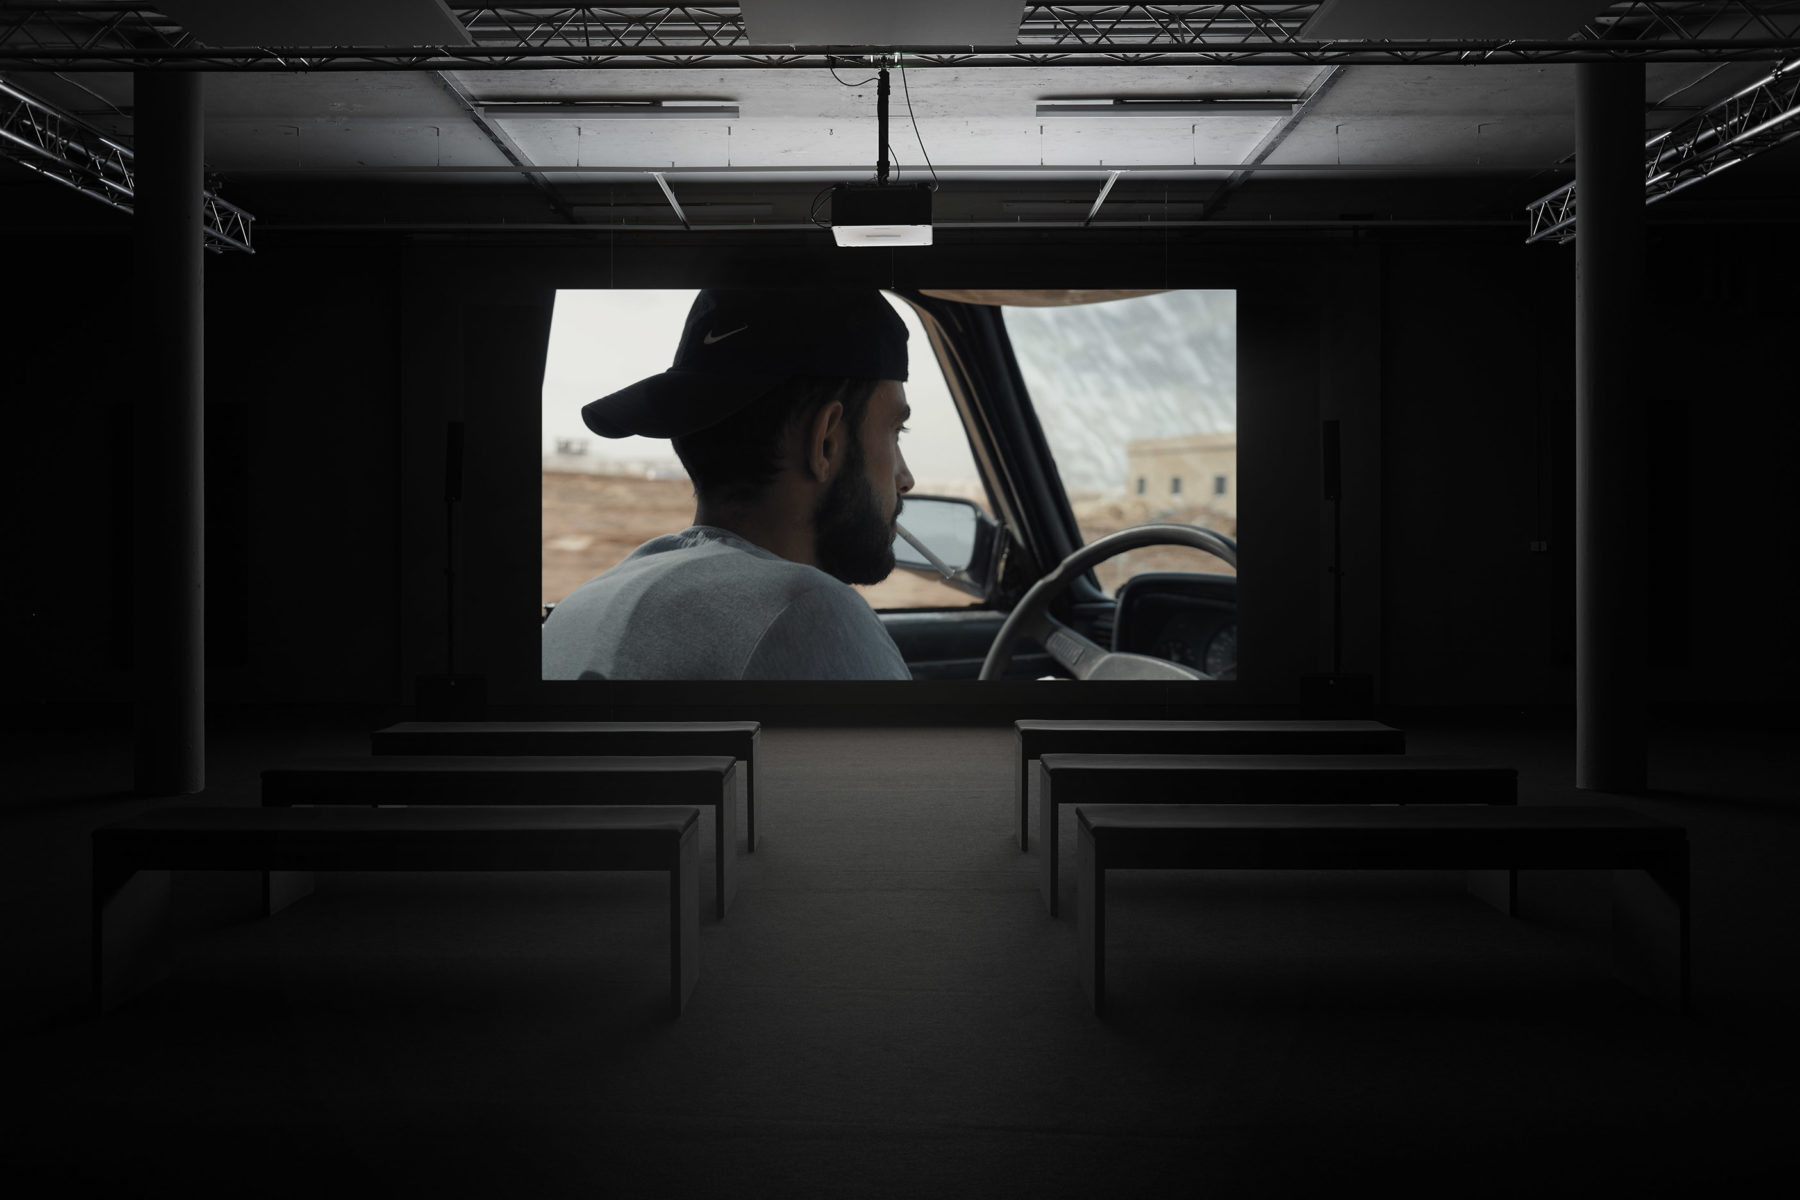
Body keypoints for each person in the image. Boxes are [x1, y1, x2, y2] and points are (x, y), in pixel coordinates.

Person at [542, 288, 916, 680]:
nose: (905, 479)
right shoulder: (809, 612)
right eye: (895, 431)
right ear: (826, 441)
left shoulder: (581, 607)